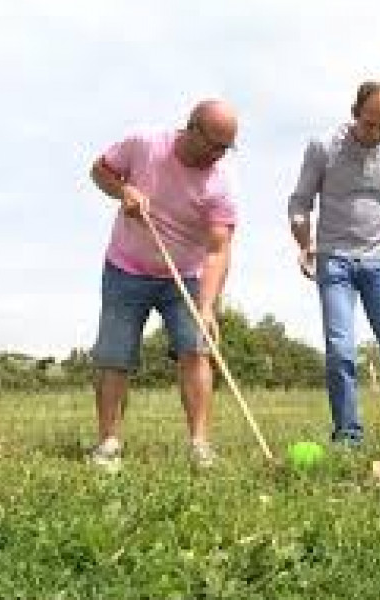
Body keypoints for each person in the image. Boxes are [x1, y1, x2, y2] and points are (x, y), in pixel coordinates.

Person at [88, 99, 238, 470]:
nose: (219, 154)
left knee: (196, 350)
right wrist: (124, 192)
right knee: (115, 354)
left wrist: (206, 307)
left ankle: (200, 445)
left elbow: (218, 250)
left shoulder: (220, 183)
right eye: (215, 144)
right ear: (191, 129)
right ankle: (108, 443)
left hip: (184, 275)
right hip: (126, 267)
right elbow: (99, 171)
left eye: (227, 147)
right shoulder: (144, 145)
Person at [287, 81, 380, 450]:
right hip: (333, 260)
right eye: (370, 124)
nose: (377, 133)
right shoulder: (324, 147)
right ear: (355, 113)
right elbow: (300, 202)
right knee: (340, 349)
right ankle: (348, 436)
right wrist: (305, 244)